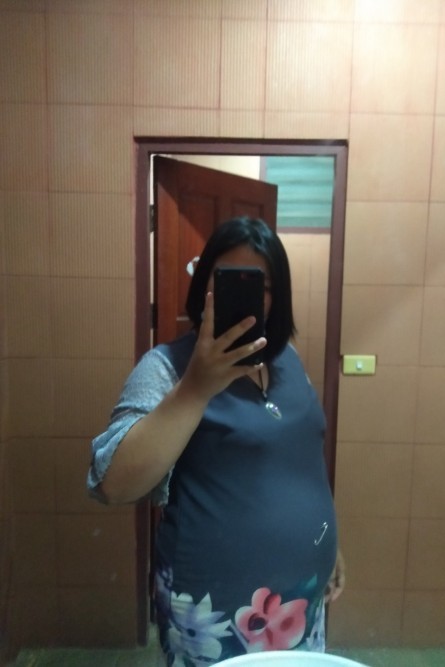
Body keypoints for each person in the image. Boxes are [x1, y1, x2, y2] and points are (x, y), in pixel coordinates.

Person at [88, 216, 344, 666]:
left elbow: (301, 462)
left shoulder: (288, 361)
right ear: (204, 286)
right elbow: (113, 483)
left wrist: (327, 541)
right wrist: (196, 387)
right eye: (226, 280)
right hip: (215, 613)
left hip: (299, 602)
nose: (247, 297)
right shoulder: (166, 367)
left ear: (279, 297)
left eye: (262, 286)